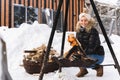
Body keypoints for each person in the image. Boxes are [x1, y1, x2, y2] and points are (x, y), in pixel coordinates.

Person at [75, 13, 105, 77]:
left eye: (85, 20)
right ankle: (83, 70)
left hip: (96, 54)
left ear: (89, 21)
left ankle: (98, 67)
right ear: (79, 21)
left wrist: (82, 54)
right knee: (74, 56)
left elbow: (92, 46)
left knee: (84, 60)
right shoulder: (78, 31)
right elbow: (78, 44)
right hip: (85, 53)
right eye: (81, 20)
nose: (83, 22)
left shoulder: (93, 31)